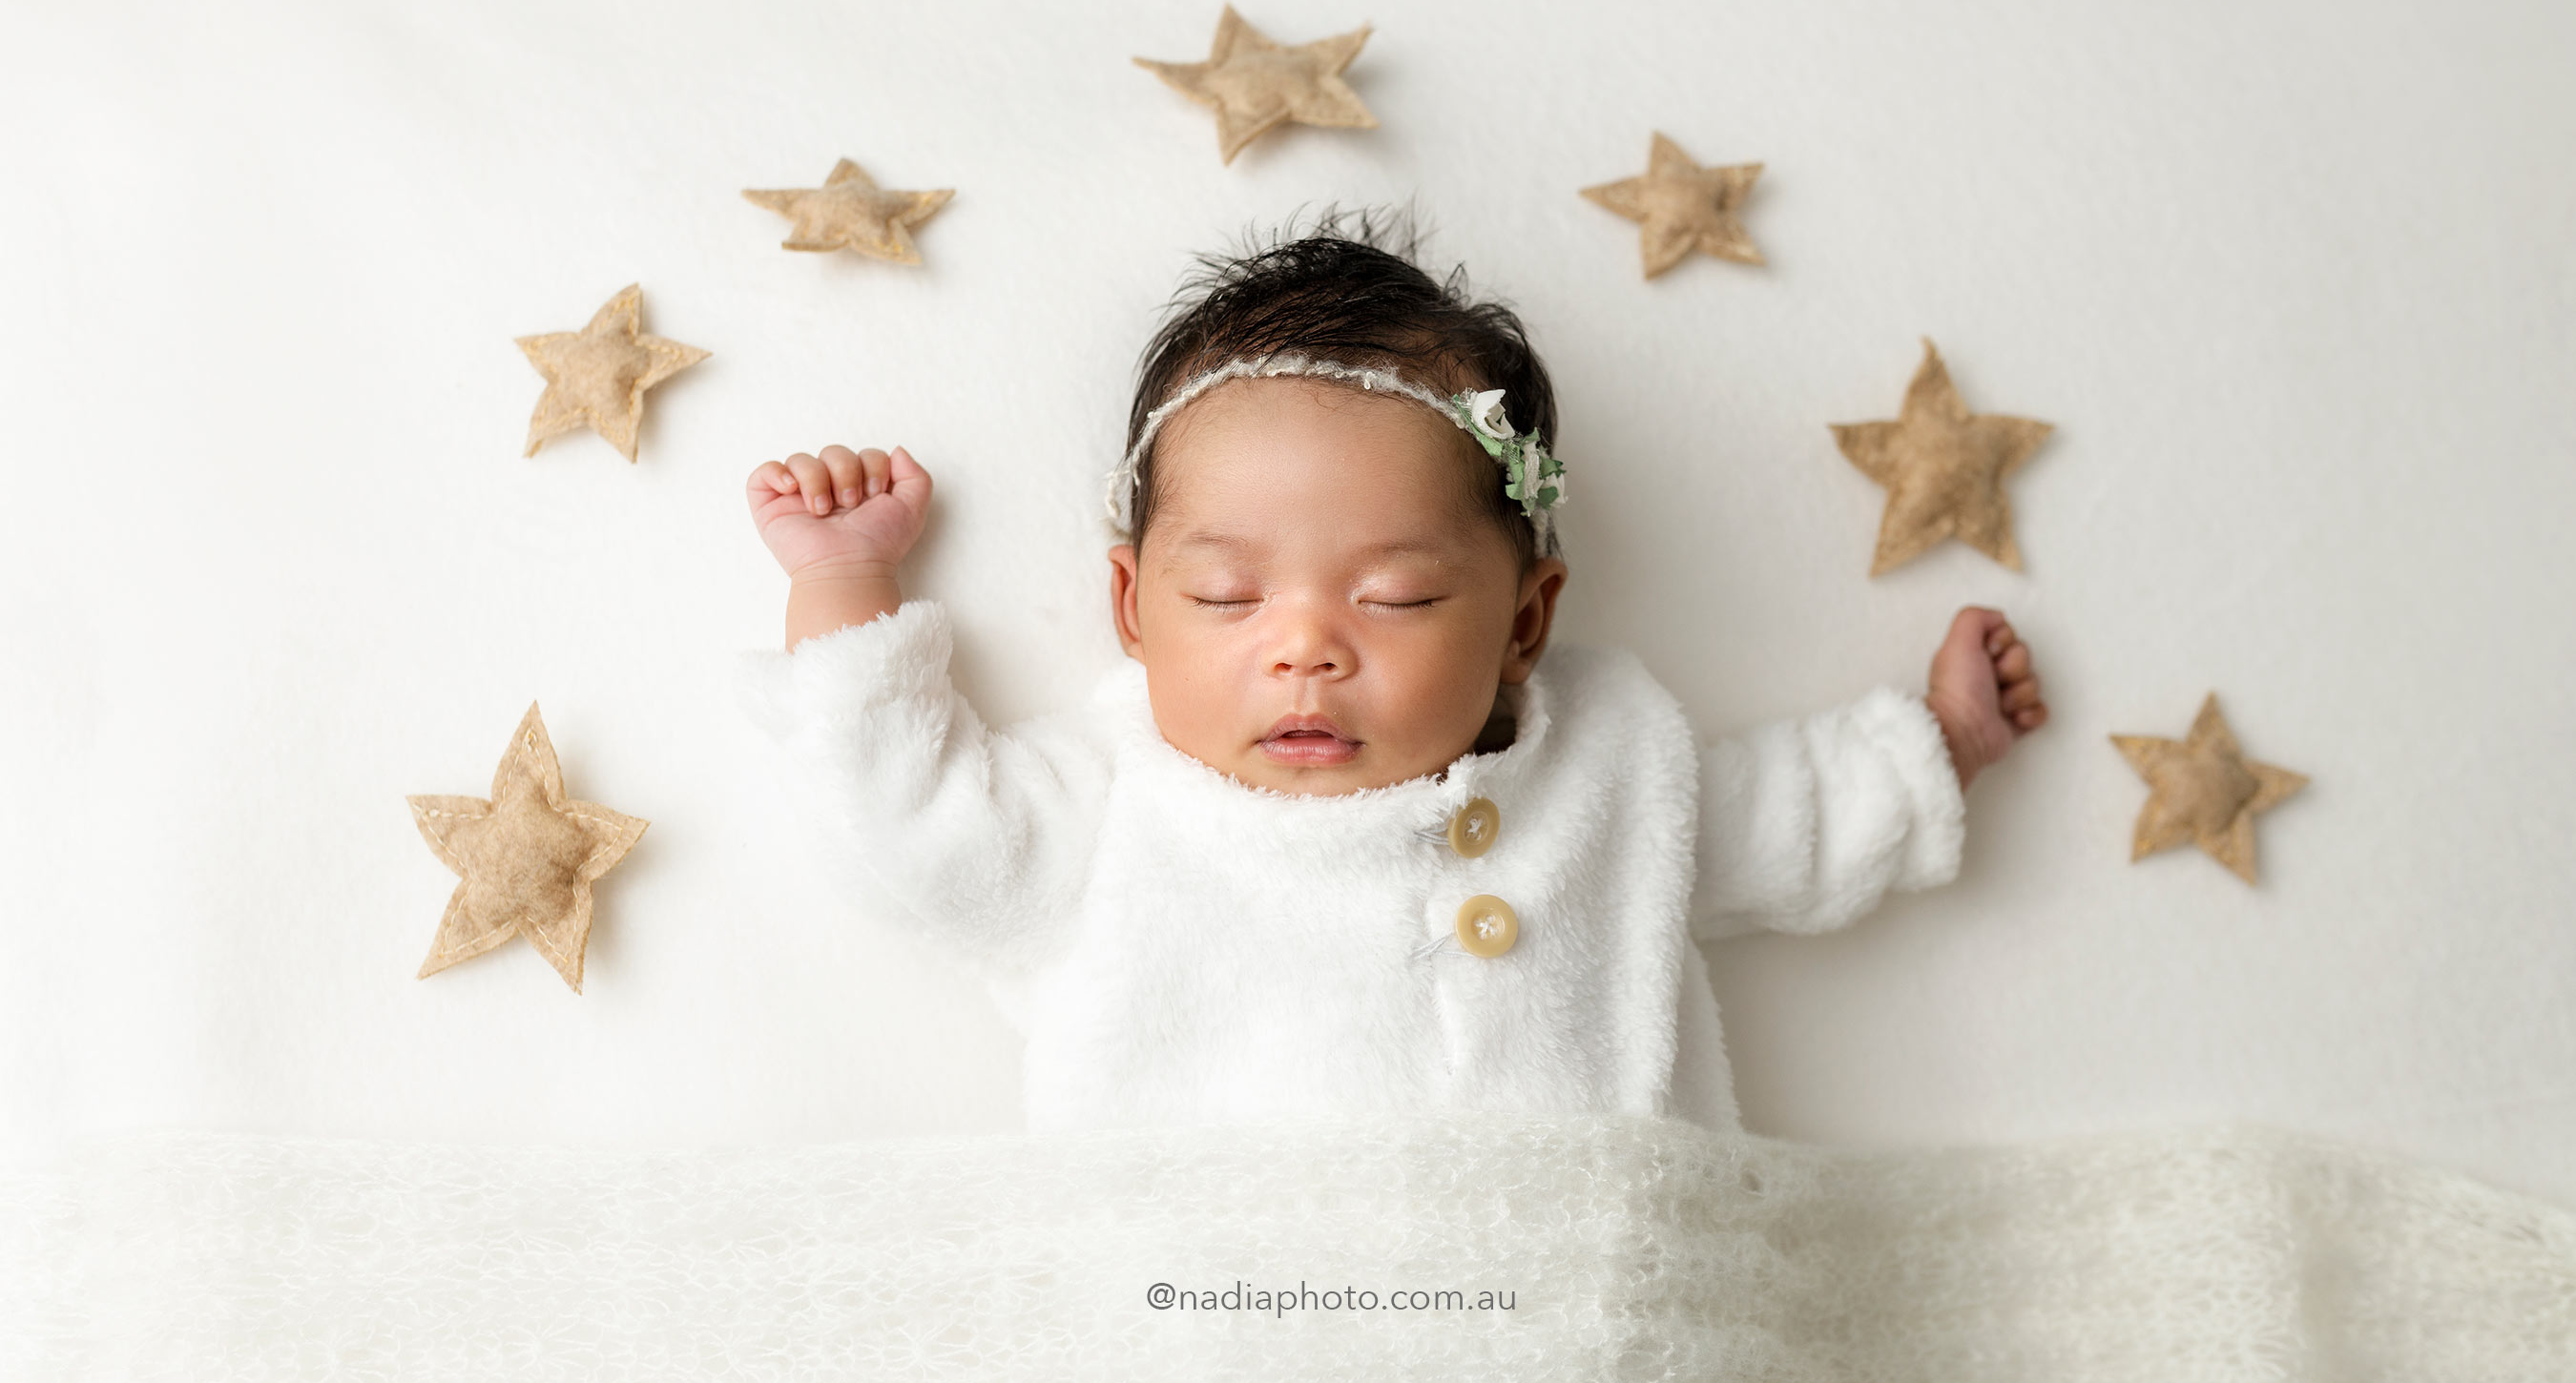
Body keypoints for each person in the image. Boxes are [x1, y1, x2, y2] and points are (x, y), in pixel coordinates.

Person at [739, 217, 2047, 1132]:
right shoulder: (1117, 807)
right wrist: (844, 585)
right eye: (1226, 595)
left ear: (1525, 623)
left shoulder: (1604, 775)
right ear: (1133, 608)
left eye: (1399, 596)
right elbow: (907, 831)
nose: (1304, 645)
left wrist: (1932, 742)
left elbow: (1779, 821)